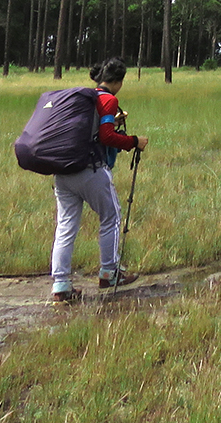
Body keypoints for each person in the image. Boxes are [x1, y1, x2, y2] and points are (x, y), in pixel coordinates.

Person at [51, 57, 147, 305]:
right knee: (111, 217)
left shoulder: (84, 99)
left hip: (63, 171)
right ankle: (109, 273)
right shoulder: (108, 99)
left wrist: (112, 123)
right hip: (91, 169)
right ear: (118, 81)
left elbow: (94, 130)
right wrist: (134, 141)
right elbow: (105, 137)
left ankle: (61, 285)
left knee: (66, 225)